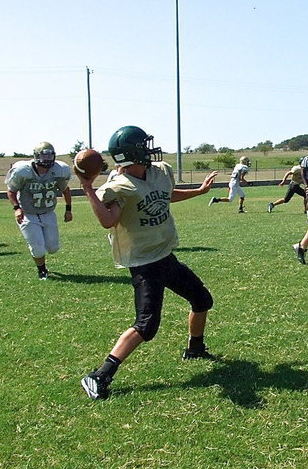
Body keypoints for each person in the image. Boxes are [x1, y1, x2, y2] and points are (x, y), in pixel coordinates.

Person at [78, 125, 219, 400]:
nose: (150, 148)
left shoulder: (160, 171)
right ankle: (98, 375)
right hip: (145, 263)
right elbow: (108, 220)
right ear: (133, 153)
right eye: (144, 145)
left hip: (165, 256)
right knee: (146, 325)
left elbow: (166, 195)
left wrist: (199, 192)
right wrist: (87, 187)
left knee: (202, 300)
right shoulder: (120, 187)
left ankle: (195, 348)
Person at [6, 142, 72, 280]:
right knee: (38, 247)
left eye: (49, 155)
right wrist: (17, 208)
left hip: (48, 213)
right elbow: (11, 191)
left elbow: (65, 190)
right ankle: (42, 270)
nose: (47, 159)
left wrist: (68, 209)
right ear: (36, 156)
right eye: (44, 155)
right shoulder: (23, 171)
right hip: (28, 213)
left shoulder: (58, 170)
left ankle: (43, 264)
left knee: (53, 248)